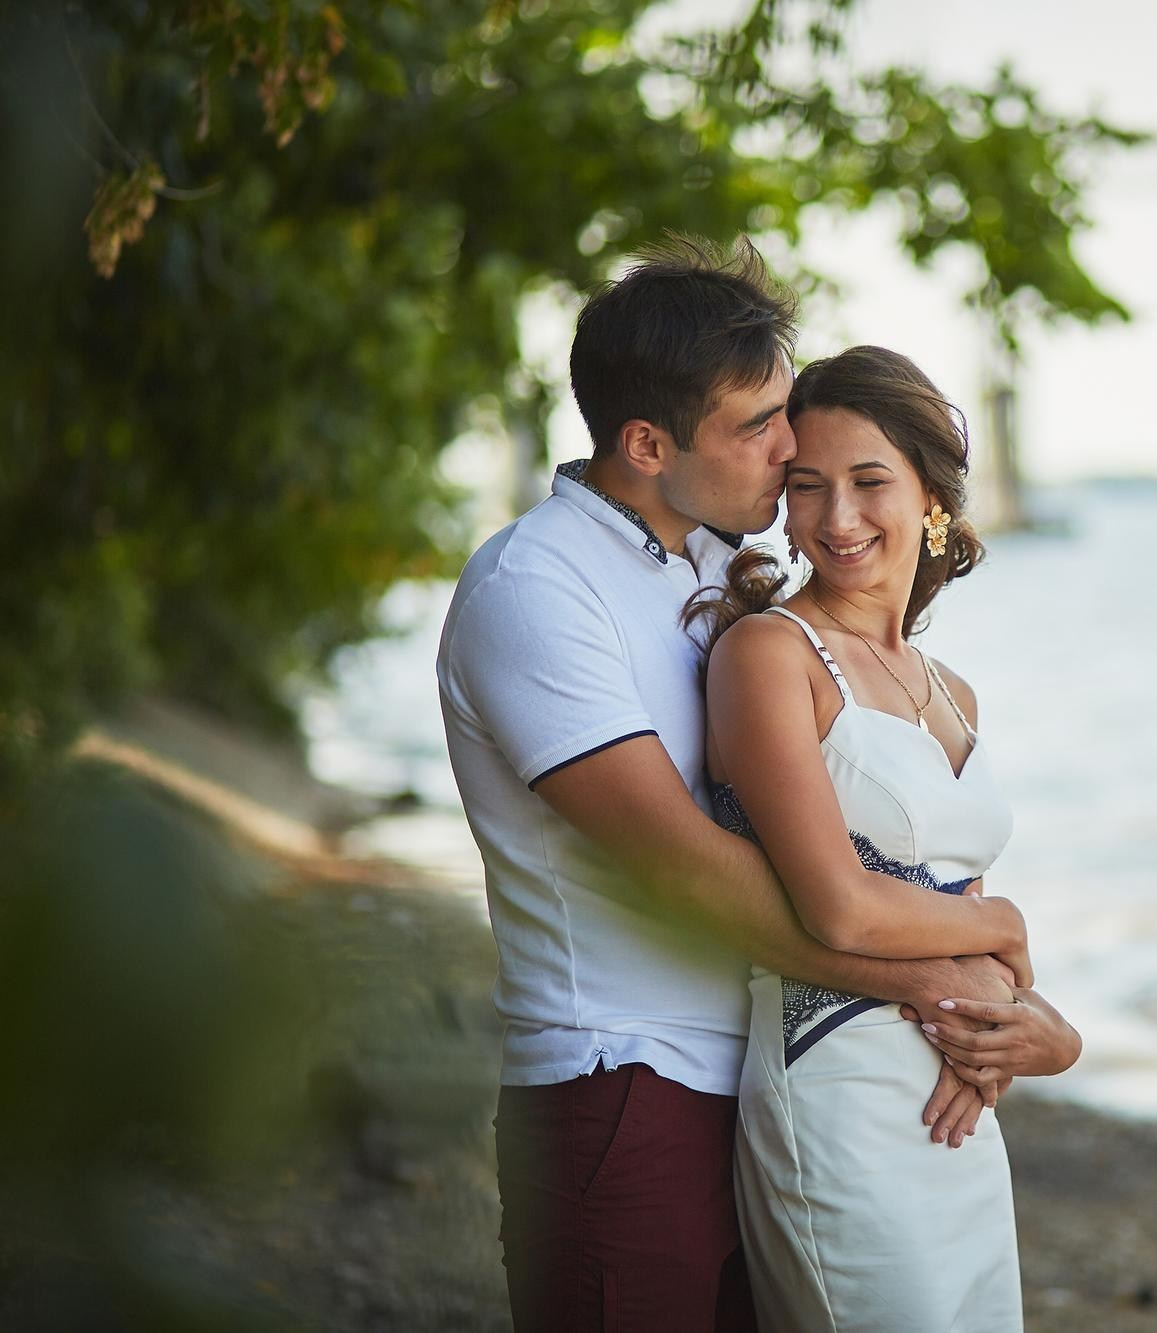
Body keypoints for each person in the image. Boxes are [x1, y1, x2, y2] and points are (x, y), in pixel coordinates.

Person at [435, 236, 1076, 1332]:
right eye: (759, 427)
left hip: (767, 1068)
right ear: (647, 442)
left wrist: (1008, 1006)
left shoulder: (694, 565)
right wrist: (937, 978)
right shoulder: (535, 586)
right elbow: (686, 871)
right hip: (624, 1080)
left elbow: (851, 833)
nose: (790, 454)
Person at [690, 345, 1077, 1333]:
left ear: (930, 500)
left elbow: (957, 935)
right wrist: (1004, 919)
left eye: (869, 483)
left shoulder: (954, 692)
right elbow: (839, 903)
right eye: (807, 488)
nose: (836, 519)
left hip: (954, 1099)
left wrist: (1045, 1037)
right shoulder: (769, 655)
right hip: (838, 1090)